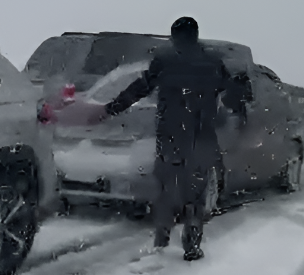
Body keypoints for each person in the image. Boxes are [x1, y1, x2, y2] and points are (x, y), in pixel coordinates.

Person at [97, 17, 250, 261]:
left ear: (174, 36)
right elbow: (231, 96)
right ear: (196, 35)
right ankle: (192, 244)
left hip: (171, 135)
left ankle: (162, 237)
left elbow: (140, 87)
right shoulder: (213, 62)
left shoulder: (165, 60)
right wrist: (240, 105)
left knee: (166, 188)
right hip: (201, 136)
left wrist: (112, 108)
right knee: (196, 193)